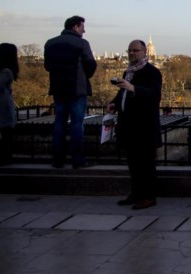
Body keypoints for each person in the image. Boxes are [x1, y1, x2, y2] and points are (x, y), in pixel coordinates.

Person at [107, 40, 162, 210]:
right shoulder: (128, 71)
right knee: (133, 163)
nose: (131, 53)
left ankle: (149, 196)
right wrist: (114, 103)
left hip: (144, 126)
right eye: (129, 50)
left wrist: (133, 88)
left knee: (146, 163)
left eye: (135, 50)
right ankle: (137, 193)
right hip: (129, 125)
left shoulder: (152, 72)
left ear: (145, 52)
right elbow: (123, 92)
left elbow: (154, 96)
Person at [44, 15, 97, 169]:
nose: (84, 30)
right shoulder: (81, 43)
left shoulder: (50, 43)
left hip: (58, 89)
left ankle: (58, 160)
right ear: (75, 27)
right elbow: (90, 64)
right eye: (82, 27)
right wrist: (85, 75)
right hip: (77, 89)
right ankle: (78, 160)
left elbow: (47, 66)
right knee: (77, 125)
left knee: (59, 124)